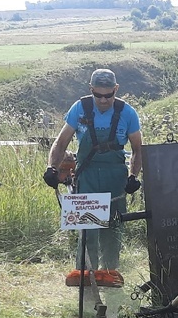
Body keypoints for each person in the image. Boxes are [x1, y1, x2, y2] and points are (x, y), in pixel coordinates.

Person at [43, 68, 144, 288]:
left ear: (116, 90)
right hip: (87, 175)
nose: (104, 100)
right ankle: (86, 277)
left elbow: (138, 149)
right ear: (91, 90)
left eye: (109, 95)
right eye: (98, 95)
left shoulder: (128, 113)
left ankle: (109, 275)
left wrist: (133, 176)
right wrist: (52, 168)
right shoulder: (80, 108)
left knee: (113, 228)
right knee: (88, 230)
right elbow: (60, 144)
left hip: (115, 178)